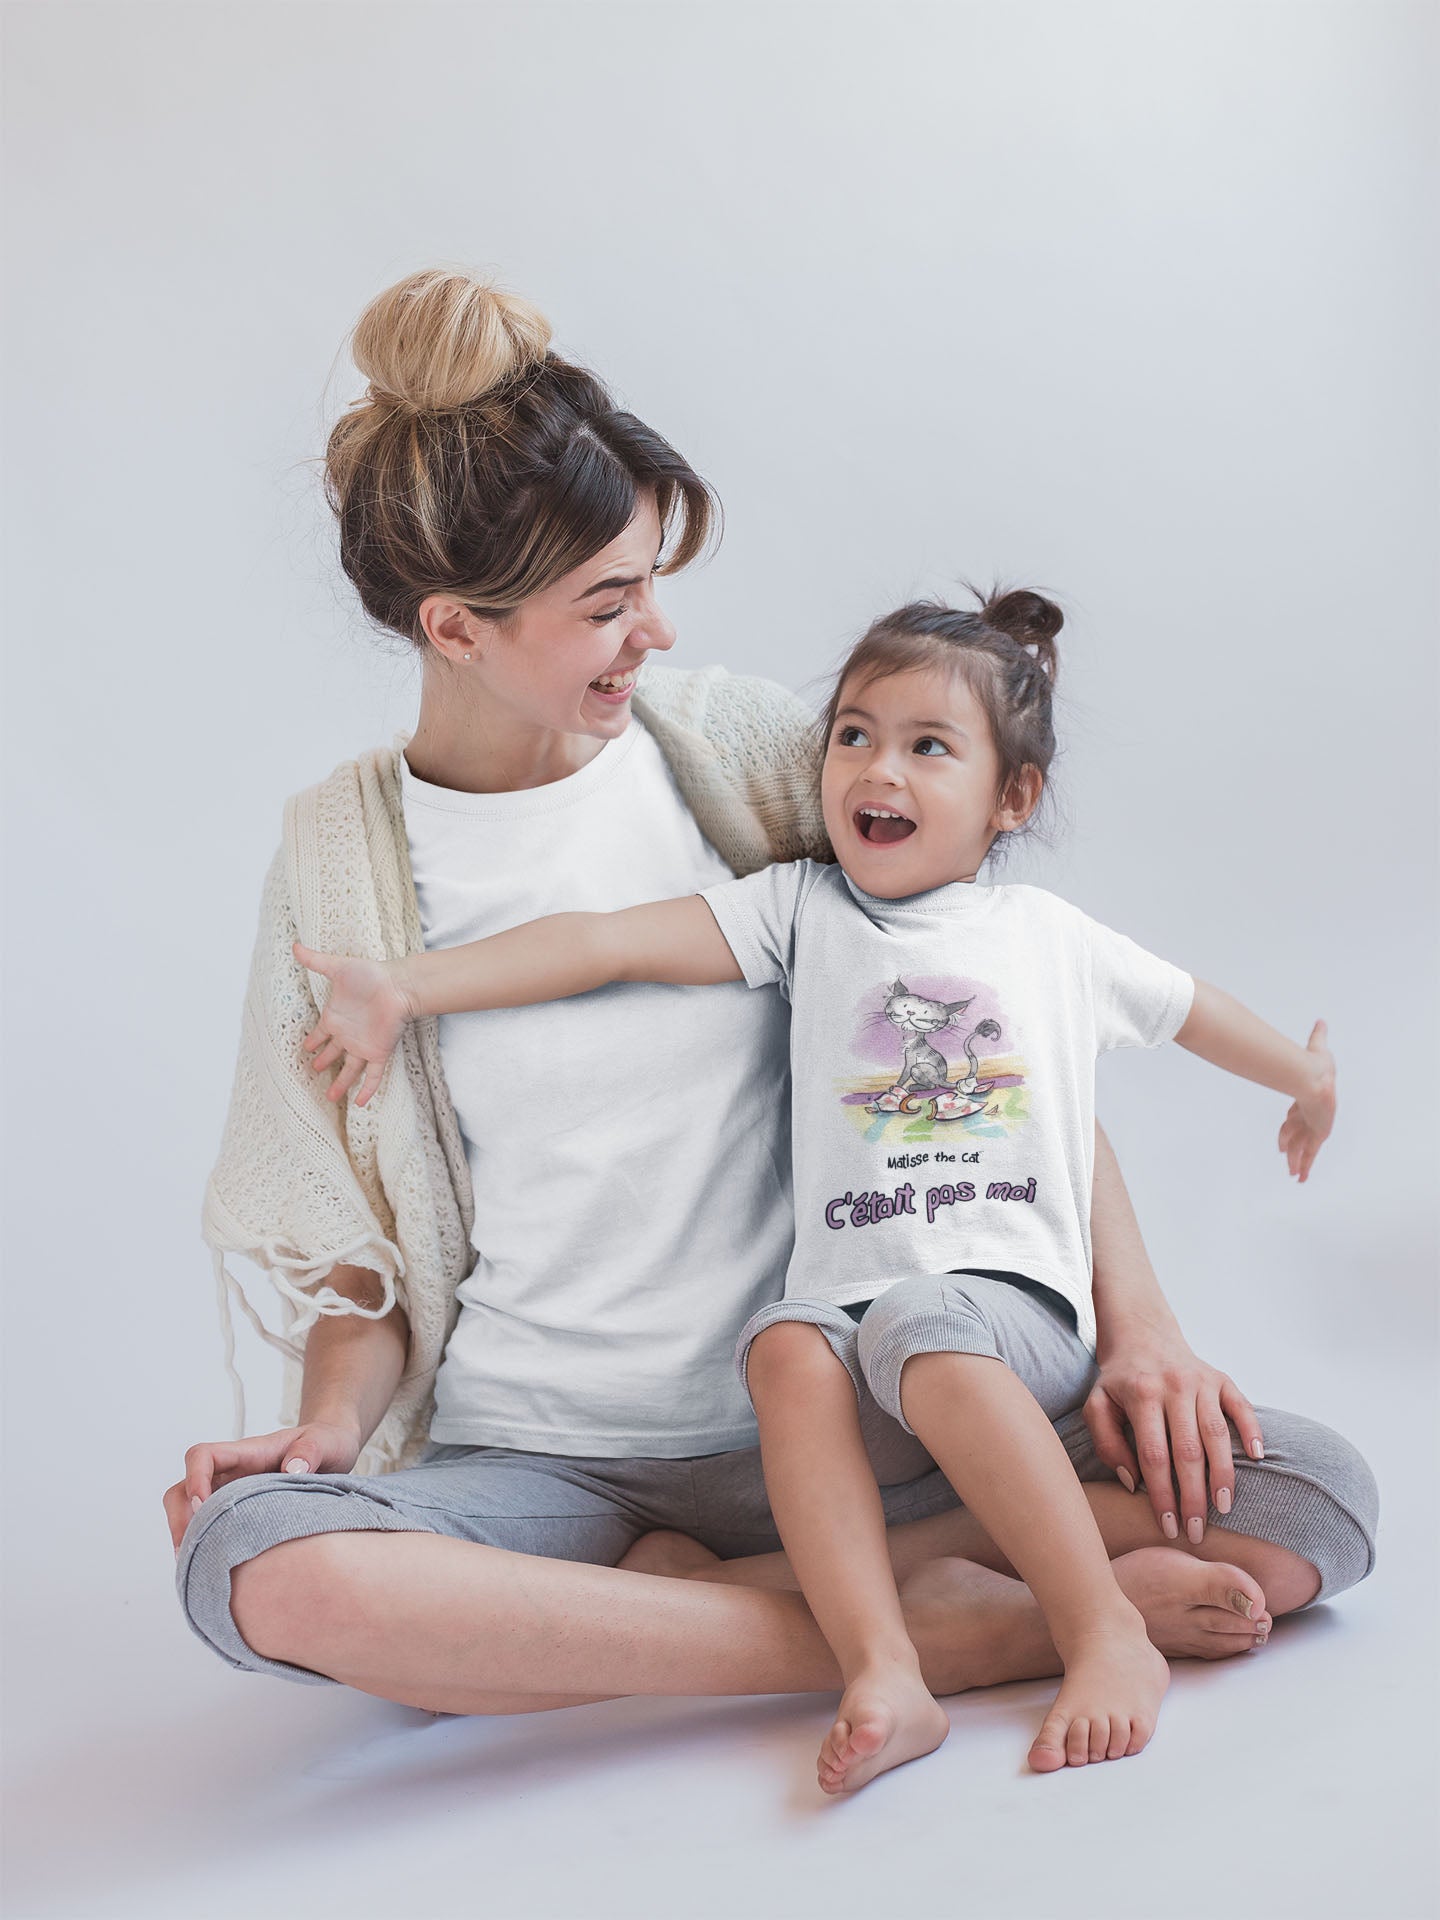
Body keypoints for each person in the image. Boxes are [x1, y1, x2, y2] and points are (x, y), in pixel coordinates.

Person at [167, 267, 1378, 1773]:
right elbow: (356, 1244)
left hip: (853, 1415)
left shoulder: (734, 754)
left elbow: (987, 1035)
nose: (654, 632)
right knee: (262, 1562)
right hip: (550, 1461)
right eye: (608, 604)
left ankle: (619, 1631)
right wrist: (331, 1435)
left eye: (652, 584)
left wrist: (1141, 1332)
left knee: (1308, 1500)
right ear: (455, 628)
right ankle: (939, 1631)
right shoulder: (338, 862)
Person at [289, 586, 1339, 1790]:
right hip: (857, 1322)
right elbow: (606, 942)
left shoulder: (1047, 936)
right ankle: (888, 1660)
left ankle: (1101, 1630)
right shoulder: (800, 909)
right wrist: (407, 988)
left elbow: (1199, 1013)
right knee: (785, 1347)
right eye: (854, 734)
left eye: (927, 747)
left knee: (944, 1332)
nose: (876, 768)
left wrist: (1304, 1078)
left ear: (1014, 799)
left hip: (1005, 1316)